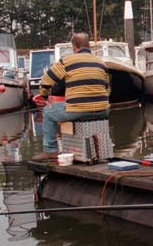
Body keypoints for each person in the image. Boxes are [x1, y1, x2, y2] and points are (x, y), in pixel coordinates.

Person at [32, 32, 110, 161]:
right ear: (89, 45)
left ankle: (50, 151)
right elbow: (107, 89)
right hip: (103, 111)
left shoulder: (67, 61)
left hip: (78, 110)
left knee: (47, 112)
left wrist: (45, 97)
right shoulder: (101, 63)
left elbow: (46, 81)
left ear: (74, 46)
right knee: (76, 111)